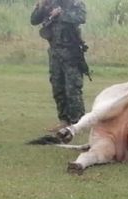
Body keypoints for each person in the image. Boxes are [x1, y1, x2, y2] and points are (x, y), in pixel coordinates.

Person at [31, 0, 88, 132]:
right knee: (58, 88)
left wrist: (60, 14)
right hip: (55, 54)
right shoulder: (49, 3)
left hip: (71, 53)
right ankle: (64, 120)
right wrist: (41, 6)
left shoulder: (75, 3)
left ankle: (77, 123)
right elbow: (34, 20)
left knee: (72, 89)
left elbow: (81, 18)